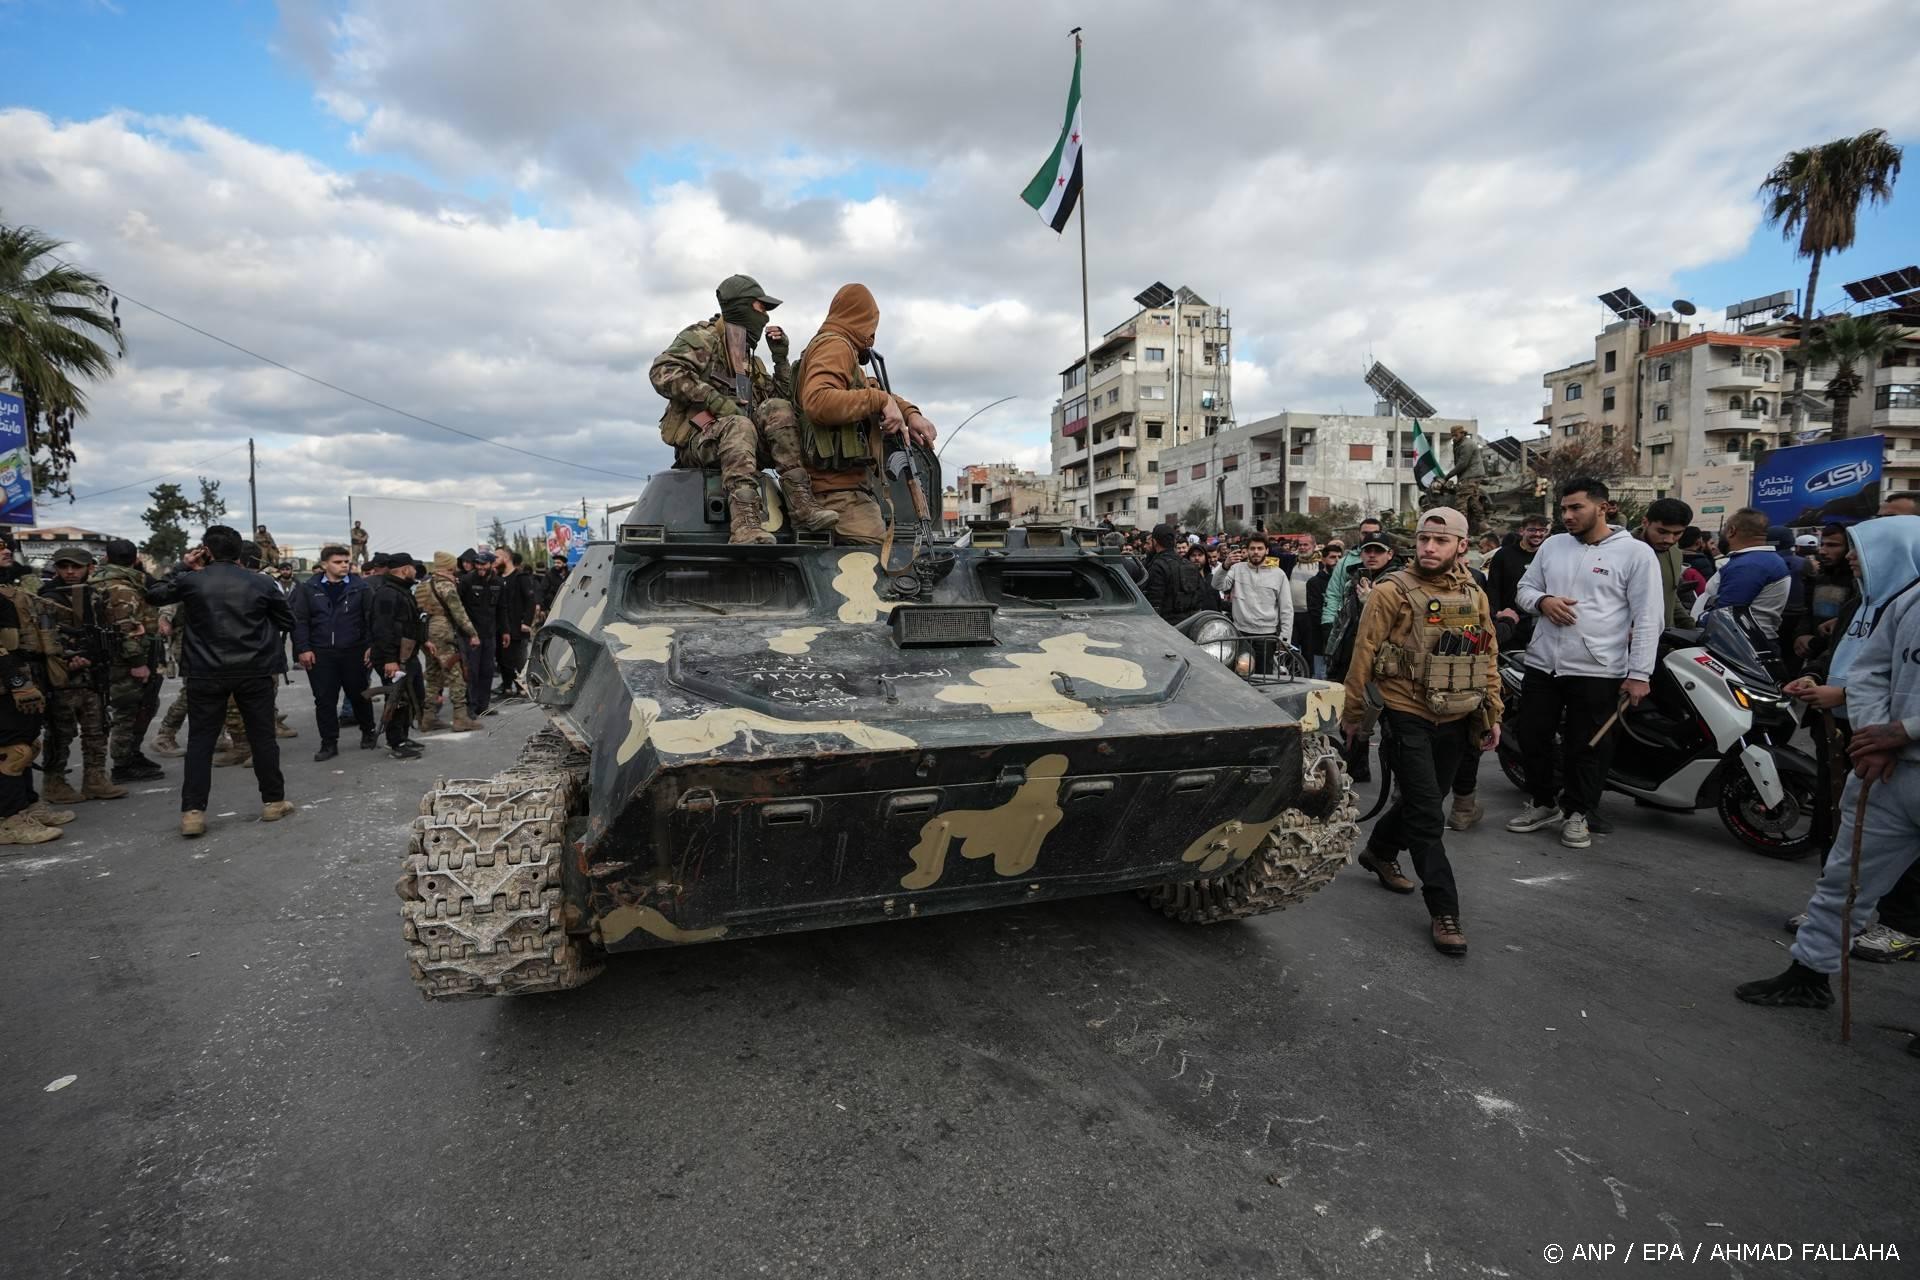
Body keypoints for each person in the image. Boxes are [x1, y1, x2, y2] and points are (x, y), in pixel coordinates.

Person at [1737, 518, 1920, 1025]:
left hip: (1897, 749)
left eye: (1862, 549)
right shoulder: (1902, 604)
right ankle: (1809, 975)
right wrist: (1877, 734)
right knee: (1846, 877)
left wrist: (1904, 731)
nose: (1853, 559)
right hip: (1886, 769)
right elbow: (1869, 671)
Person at [1341, 507, 1501, 956]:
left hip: (1457, 714)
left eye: (1441, 540)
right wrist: (1352, 715)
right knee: (1429, 815)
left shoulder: (1473, 592)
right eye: (1424, 539)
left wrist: (1494, 713)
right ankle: (1444, 911)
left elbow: (1487, 655)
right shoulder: (1391, 591)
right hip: (1405, 710)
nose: (1429, 548)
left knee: (1421, 800)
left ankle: (1379, 850)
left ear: (1461, 546)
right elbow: (1363, 653)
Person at [1507, 477, 1662, 849]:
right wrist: (1543, 601)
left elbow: (1648, 617)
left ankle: (1579, 813)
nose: (1567, 516)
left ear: (1603, 507)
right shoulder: (1553, 546)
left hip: (1598, 669)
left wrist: (1640, 674)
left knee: (1588, 745)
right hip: (1543, 664)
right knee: (1531, 737)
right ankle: (1545, 803)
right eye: (1563, 509)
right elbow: (1523, 590)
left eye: (1576, 508)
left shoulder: (1636, 553)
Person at [650, 274, 838, 544]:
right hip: (698, 440)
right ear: (741, 306)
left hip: (743, 445)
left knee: (777, 409)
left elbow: (783, 407)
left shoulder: (750, 362)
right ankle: (745, 523)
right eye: (761, 308)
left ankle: (801, 505)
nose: (765, 318)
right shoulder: (703, 338)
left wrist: (780, 358)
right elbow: (662, 371)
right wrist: (714, 400)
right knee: (739, 425)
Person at [146, 525, 296, 837]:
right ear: (240, 551)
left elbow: (155, 594)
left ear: (206, 550)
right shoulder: (262, 582)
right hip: (254, 670)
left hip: (205, 671)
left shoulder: (191, 581)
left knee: (201, 741)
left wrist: (181, 566)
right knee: (262, 738)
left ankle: (193, 812)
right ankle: (273, 801)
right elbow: (287, 620)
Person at [793, 283, 938, 544]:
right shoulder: (836, 347)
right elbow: (818, 400)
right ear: (863, 321)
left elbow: (869, 389)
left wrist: (910, 414)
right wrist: (878, 400)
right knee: (880, 571)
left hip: (843, 490)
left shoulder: (839, 349)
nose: (873, 336)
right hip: (837, 494)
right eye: (872, 326)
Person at [38, 547, 129, 804]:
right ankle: (54, 783)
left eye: (75, 567)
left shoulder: (94, 596)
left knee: (97, 729)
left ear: (89, 567)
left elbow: (105, 630)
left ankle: (95, 779)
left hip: (92, 675)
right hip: (62, 679)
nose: (69, 572)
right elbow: (43, 639)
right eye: (63, 567)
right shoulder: (47, 599)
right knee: (60, 732)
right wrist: (69, 657)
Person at [1326, 533, 1405, 783]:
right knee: (1350, 720)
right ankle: (1356, 770)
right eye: (1367, 550)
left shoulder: (1397, 582)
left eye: (1378, 551)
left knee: (1389, 728)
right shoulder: (1355, 578)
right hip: (1351, 657)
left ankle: (1401, 782)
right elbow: (1343, 621)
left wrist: (1371, 602)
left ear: (1390, 554)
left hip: (1384, 665)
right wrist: (1333, 653)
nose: (1372, 555)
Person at [90, 539, 167, 785]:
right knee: (129, 710)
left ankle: (131, 754)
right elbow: (126, 628)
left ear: (106, 559)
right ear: (135, 560)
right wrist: (137, 662)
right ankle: (123, 763)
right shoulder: (121, 588)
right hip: (126, 660)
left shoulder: (103, 580)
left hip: (117, 657)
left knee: (142, 706)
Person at [289, 544, 376, 761]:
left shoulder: (361, 587)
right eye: (338, 562)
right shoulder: (308, 588)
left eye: (346, 561)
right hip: (321, 653)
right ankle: (329, 743)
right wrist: (303, 648)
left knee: (359, 695)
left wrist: (370, 646)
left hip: (353, 651)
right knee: (324, 699)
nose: (344, 565)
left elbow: (371, 620)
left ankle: (368, 732)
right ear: (325, 564)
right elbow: (300, 621)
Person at [1693, 507, 1790, 648]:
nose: (1722, 534)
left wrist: (1698, 622)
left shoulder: (1750, 565)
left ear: (1732, 531)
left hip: (1740, 644)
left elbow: (1725, 614)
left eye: (1724, 528)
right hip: (1743, 641)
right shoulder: (1758, 560)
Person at [368, 553, 426, 759]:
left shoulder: (401, 590)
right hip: (393, 657)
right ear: (404, 569)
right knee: (397, 699)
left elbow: (410, 623)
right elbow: (382, 628)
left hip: (407, 655)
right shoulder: (387, 594)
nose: (415, 571)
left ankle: (403, 735)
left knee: (413, 695)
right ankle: (396, 742)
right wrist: (390, 660)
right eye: (413, 567)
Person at [416, 551, 481, 733]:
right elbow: (459, 613)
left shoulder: (423, 585)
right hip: (444, 631)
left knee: (433, 674)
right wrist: (472, 633)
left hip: (426, 633)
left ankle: (428, 717)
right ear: (450, 566)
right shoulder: (446, 586)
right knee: (456, 673)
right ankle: (461, 717)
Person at [1212, 533, 1293, 672]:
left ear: (1267, 551)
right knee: (1240, 675)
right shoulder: (1236, 568)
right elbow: (1218, 585)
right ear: (1247, 550)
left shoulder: (1278, 574)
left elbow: (1286, 608)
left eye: (1260, 548)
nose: (1256, 552)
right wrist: (1225, 565)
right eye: (1252, 548)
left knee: (1265, 678)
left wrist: (1285, 638)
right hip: (1240, 634)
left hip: (1266, 637)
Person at [1488, 513, 1548, 651]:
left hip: (1540, 622)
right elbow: (1493, 587)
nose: (1537, 534)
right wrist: (1496, 614)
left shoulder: (1548, 555)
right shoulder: (1503, 555)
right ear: (1522, 531)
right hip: (1510, 620)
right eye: (1532, 530)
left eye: (1542, 530)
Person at [1633, 498, 1695, 630]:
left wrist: (1690, 626)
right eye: (1662, 532)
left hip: (1664, 638)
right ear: (1645, 522)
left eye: (1677, 533)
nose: (1669, 539)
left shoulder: (1675, 552)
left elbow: (1670, 595)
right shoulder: (1621, 551)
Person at [1319, 517, 1384, 639]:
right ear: (1359, 534)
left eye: (1373, 534)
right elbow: (1334, 594)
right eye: (1365, 533)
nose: (1368, 537)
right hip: (1348, 627)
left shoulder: (1390, 563)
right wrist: (1327, 623)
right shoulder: (1345, 562)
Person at [457, 548, 502, 717]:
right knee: (472, 671)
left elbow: (501, 609)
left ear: (491, 564)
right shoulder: (467, 581)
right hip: (471, 635)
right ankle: (471, 706)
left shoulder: (497, 582)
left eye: (484, 564)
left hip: (489, 633)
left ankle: (483, 705)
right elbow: (459, 609)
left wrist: (504, 632)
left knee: (487, 670)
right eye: (478, 564)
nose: (480, 567)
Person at [1141, 523, 1207, 624]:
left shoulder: (1158, 565)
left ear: (1154, 542)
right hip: (1190, 624)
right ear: (1174, 541)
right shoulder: (1189, 565)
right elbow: (1200, 595)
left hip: (1166, 627)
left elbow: (1154, 602)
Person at [496, 549, 538, 699]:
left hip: (519, 627)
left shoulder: (521, 577)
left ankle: (524, 688)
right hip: (503, 627)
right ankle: (507, 687)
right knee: (503, 659)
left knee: (519, 659)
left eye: (497, 557)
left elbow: (531, 601)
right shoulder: (498, 578)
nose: (494, 560)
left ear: (506, 558)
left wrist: (527, 622)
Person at [1303, 542, 1342, 677]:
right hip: (1320, 639)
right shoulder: (1314, 583)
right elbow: (1315, 612)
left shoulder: (1344, 582)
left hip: (1340, 640)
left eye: (1339, 557)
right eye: (1332, 557)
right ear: (1323, 559)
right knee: (1321, 677)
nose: (1336, 561)